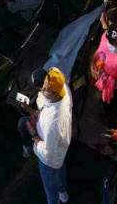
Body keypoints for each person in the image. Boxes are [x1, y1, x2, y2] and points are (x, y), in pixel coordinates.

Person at [20, 68, 72, 204]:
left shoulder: (52, 122)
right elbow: (46, 108)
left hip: (48, 159)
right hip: (60, 148)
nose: (41, 91)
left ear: (54, 93)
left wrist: (34, 136)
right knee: (59, 170)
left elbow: (48, 153)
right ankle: (63, 192)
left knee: (50, 187)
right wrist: (31, 111)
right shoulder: (64, 89)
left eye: (44, 89)